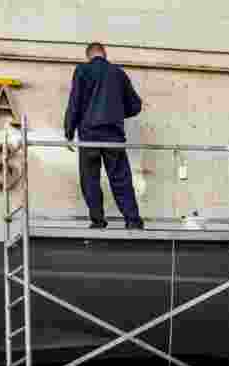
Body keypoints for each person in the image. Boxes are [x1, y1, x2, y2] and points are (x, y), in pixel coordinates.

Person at [64, 42, 145, 229]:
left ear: (88, 55)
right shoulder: (118, 73)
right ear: (104, 54)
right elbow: (135, 105)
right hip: (113, 136)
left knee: (90, 179)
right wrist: (115, 112)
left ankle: (98, 221)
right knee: (121, 179)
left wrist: (69, 131)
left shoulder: (83, 71)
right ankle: (133, 221)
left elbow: (74, 102)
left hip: (89, 134)